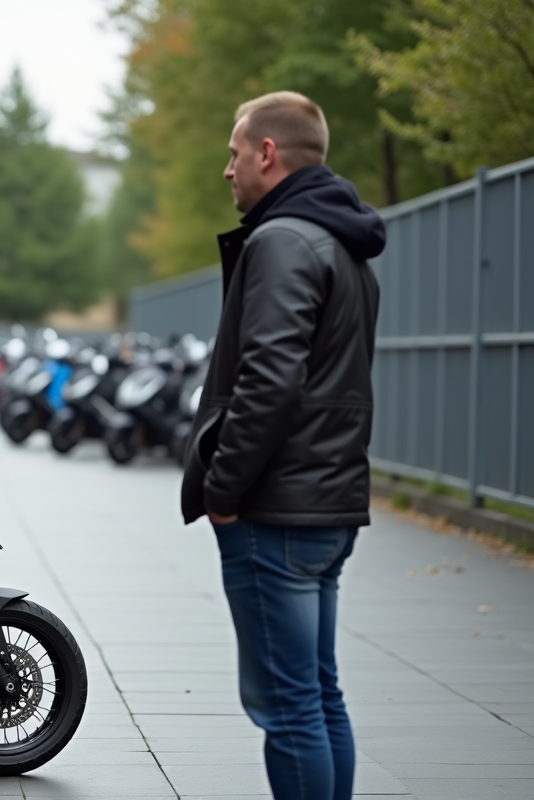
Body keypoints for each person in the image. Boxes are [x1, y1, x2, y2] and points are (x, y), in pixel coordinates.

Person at [180, 91, 384, 800]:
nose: (227, 171)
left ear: (267, 153)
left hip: (276, 510)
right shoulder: (343, 246)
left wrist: (223, 489)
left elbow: (269, 379)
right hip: (327, 502)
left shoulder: (281, 240)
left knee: (288, 707)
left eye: (235, 154)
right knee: (319, 694)